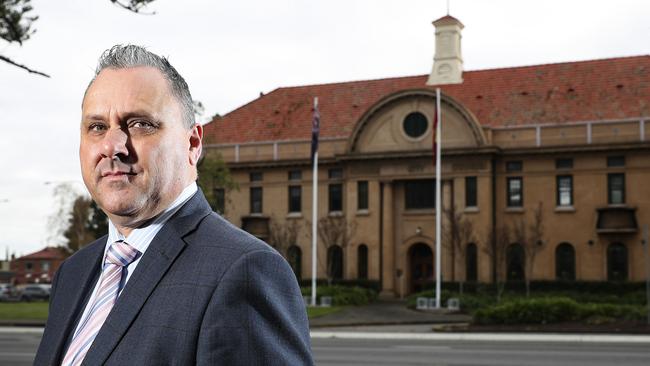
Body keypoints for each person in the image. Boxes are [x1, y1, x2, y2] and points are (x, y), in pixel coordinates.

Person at [34, 45, 313, 366]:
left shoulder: (244, 272)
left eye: (140, 124)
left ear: (192, 144)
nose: (113, 146)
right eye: (97, 127)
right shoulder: (74, 272)